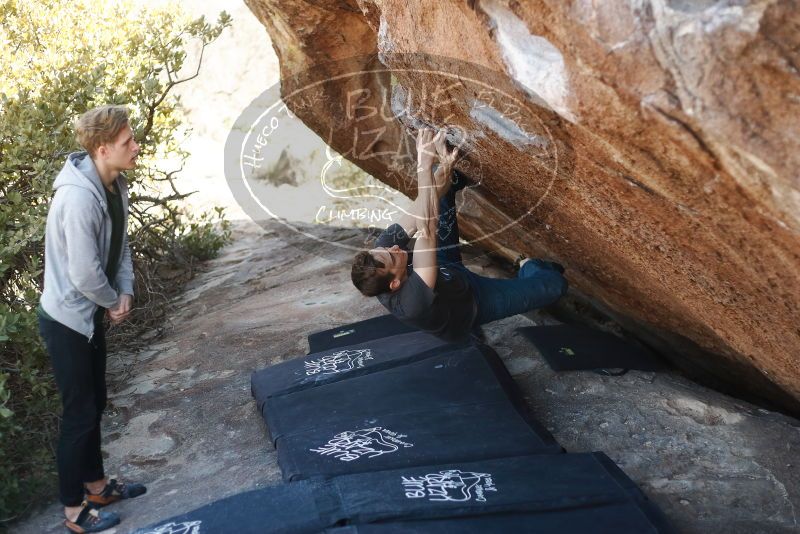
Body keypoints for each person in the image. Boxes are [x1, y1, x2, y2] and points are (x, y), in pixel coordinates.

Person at [351, 127, 567, 344]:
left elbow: (421, 208)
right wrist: (423, 167)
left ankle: (454, 176)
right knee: (555, 285)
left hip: (443, 264)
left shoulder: (382, 252)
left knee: (438, 191)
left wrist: (445, 166)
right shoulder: (412, 303)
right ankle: (528, 265)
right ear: (395, 284)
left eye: (387, 249)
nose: (393, 248)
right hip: (476, 300)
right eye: (392, 256)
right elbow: (426, 228)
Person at [38, 105, 147, 533]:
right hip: (67, 320)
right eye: (127, 143)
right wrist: (110, 301)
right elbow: (84, 273)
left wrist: (125, 293)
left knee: (94, 403)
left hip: (90, 313)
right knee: (79, 414)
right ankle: (72, 511)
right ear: (103, 148)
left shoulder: (113, 183)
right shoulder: (78, 197)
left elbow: (120, 246)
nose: (136, 147)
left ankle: (97, 486)